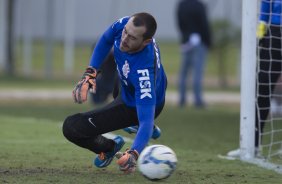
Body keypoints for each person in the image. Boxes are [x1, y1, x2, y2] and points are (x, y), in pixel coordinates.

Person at [62, 12, 167, 174]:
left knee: (71, 127)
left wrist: (133, 154)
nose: (124, 39)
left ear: (146, 42)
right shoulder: (126, 25)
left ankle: (109, 147)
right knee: (119, 84)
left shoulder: (144, 73)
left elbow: (146, 120)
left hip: (135, 105)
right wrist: (91, 73)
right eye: (126, 32)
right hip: (129, 88)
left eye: (132, 38)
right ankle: (135, 125)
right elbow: (105, 40)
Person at [228, 0, 282, 157]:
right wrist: (260, 30)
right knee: (263, 90)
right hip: (273, 34)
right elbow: (266, 4)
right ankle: (252, 145)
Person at [176, 0, 212, 108]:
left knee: (184, 72)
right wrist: (209, 41)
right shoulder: (199, 6)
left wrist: (185, 35)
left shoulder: (181, 5)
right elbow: (204, 25)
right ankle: (198, 100)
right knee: (197, 71)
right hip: (199, 41)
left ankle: (182, 99)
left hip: (186, 40)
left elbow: (179, 23)